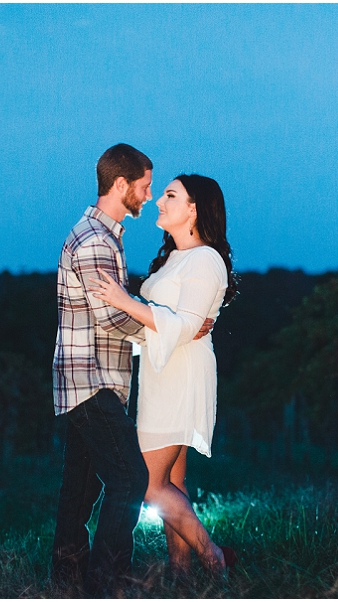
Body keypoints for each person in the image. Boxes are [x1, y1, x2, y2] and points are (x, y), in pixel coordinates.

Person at [50, 144, 211, 596]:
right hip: (92, 381)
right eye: (144, 187)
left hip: (90, 381)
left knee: (79, 491)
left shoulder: (104, 236)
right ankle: (108, 583)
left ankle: (65, 580)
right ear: (120, 185)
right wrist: (172, 331)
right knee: (130, 479)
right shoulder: (96, 241)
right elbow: (113, 318)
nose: (149, 195)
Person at [89, 174, 239, 576]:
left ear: (194, 209)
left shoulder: (206, 259)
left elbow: (186, 326)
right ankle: (182, 576)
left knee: (149, 484)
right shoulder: (176, 256)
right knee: (173, 482)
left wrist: (125, 301)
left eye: (171, 195)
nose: (159, 201)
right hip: (161, 373)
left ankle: (214, 558)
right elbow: (165, 323)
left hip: (181, 376)